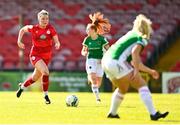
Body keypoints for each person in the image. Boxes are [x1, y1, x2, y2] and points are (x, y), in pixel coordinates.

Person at [102, 14, 169, 120]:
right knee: (141, 84)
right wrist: (136, 72)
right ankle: (153, 113)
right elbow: (135, 54)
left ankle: (112, 113)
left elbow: (135, 62)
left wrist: (150, 71)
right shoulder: (141, 38)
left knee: (122, 88)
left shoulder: (130, 34)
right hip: (115, 61)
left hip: (106, 61)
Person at [16, 10, 60, 104]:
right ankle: (46, 96)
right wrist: (19, 41)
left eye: (47, 19)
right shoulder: (34, 28)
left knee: (35, 77)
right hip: (35, 55)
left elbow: (55, 37)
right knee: (46, 72)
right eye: (43, 19)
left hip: (46, 57)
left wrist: (57, 43)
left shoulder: (50, 28)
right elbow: (22, 29)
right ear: (39, 19)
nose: (45, 21)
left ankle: (22, 87)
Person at [81, 12, 111, 102]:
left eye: (88, 30)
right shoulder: (87, 39)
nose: (87, 31)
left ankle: (93, 83)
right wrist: (84, 53)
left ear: (93, 30)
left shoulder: (102, 39)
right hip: (90, 60)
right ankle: (98, 99)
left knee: (98, 82)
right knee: (94, 79)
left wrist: (106, 57)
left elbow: (108, 49)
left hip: (100, 61)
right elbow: (83, 50)